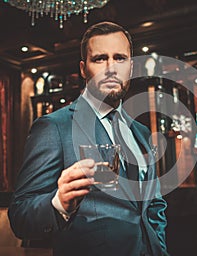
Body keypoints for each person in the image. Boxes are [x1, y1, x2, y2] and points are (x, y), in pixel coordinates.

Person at [8, 21, 169, 256]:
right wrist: (59, 203)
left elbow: (153, 206)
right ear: (83, 69)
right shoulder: (54, 127)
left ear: (131, 68)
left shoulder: (141, 133)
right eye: (100, 59)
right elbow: (20, 216)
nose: (111, 68)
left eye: (120, 58)